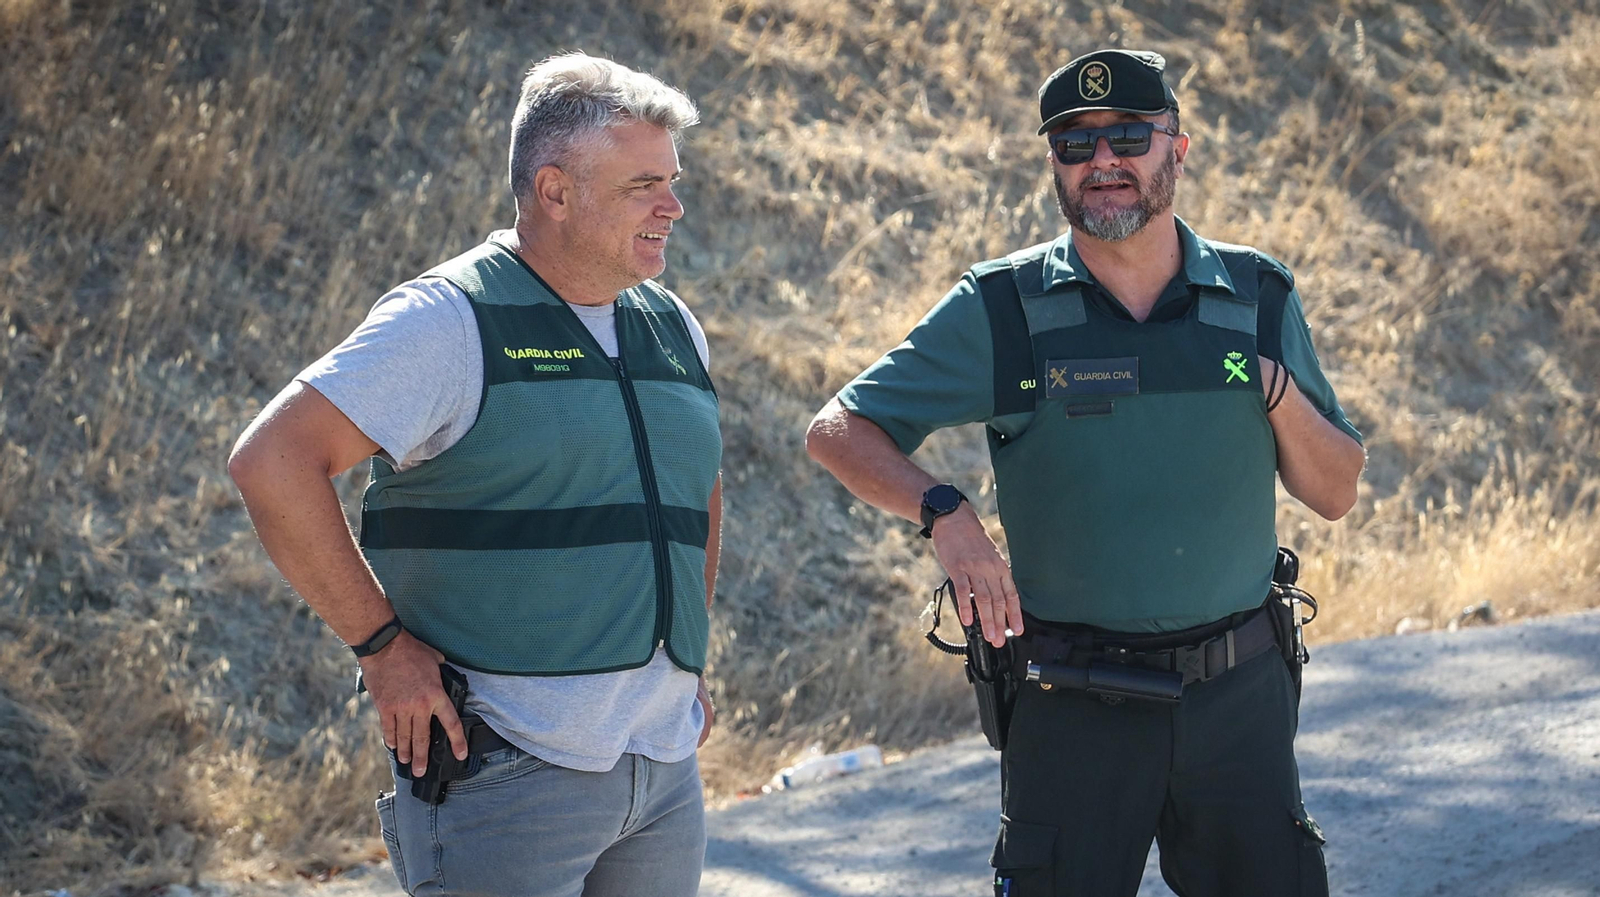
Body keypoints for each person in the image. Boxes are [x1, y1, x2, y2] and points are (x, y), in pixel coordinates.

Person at [805, 48, 1364, 897]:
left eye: (1129, 136)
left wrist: (1271, 385)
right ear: (1055, 165)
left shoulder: (1257, 295)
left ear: (1178, 149)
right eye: (1075, 143)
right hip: (1072, 701)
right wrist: (945, 513)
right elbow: (839, 429)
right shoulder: (1003, 307)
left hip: (1238, 702)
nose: (1103, 161)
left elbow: (1336, 491)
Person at [228, 52, 722, 897]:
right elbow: (272, 463)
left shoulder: (672, 323)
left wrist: (687, 672)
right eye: (644, 185)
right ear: (555, 191)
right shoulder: (448, 320)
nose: (672, 206)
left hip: (663, 771)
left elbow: (693, 492)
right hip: (506, 773)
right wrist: (383, 648)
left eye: (671, 181)